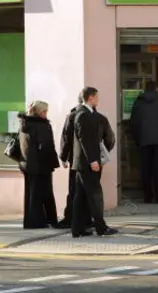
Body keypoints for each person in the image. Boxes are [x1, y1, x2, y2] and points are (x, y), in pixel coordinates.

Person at [71, 87, 118, 238]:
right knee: (94, 194)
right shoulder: (84, 115)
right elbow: (86, 140)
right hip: (87, 162)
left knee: (80, 196)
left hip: (82, 162)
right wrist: (93, 160)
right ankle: (101, 227)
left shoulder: (85, 114)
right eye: (96, 97)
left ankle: (77, 229)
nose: (98, 100)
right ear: (90, 98)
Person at [19, 101, 60, 229]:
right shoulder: (43, 125)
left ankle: (32, 221)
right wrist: (52, 162)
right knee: (46, 193)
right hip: (42, 165)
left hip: (28, 165)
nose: (46, 114)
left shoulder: (24, 124)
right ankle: (49, 219)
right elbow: (46, 146)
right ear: (40, 112)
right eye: (45, 111)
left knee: (31, 194)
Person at [55, 95, 91, 229]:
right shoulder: (91, 115)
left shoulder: (72, 116)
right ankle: (86, 219)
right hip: (88, 160)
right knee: (86, 190)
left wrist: (63, 157)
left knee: (74, 190)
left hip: (75, 159)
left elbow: (65, 138)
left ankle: (71, 218)